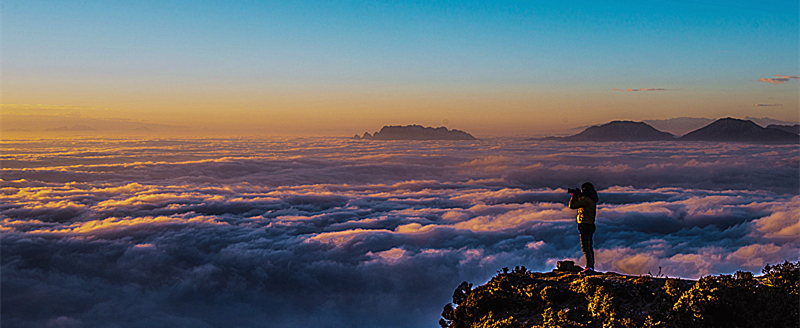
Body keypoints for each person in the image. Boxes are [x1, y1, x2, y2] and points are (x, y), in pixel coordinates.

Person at [568, 182, 599, 274]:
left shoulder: (586, 200)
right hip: (590, 225)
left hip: (585, 225)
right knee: (589, 246)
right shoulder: (592, 199)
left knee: (586, 247)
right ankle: (590, 266)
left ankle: (589, 267)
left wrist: (574, 196)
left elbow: (572, 206)